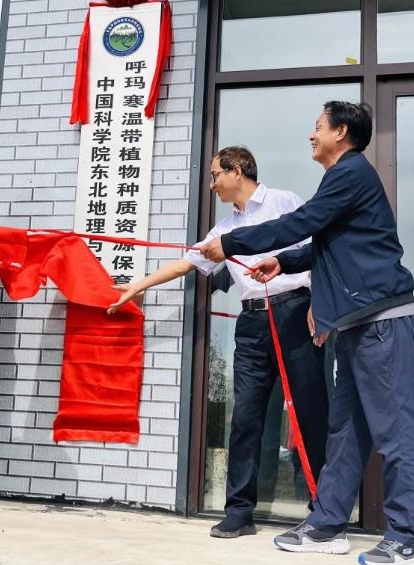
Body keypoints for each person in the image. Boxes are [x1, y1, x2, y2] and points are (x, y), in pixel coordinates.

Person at [200, 102, 414, 565]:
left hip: (383, 321)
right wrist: (283, 262)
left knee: (396, 432)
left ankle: (409, 538)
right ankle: (326, 525)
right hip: (356, 326)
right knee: (344, 433)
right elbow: (322, 244)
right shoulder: (343, 178)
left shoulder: (350, 173)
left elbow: (300, 223)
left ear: (340, 132)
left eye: (318, 127)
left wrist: (232, 243)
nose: (311, 134)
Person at [109, 146, 328, 538]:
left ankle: (323, 510)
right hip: (252, 324)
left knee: (309, 414)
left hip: (295, 312)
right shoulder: (224, 230)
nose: (211, 185)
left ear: (237, 170)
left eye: (215, 175)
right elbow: (187, 262)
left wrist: (319, 304)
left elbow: (318, 251)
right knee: (245, 417)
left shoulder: (284, 201)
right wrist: (138, 286)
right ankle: (239, 511)